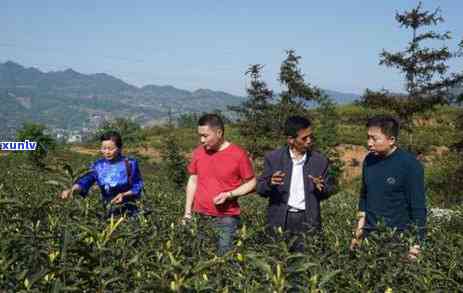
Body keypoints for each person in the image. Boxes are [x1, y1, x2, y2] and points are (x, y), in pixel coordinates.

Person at [350, 116, 427, 260]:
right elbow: (364, 197)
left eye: (374, 139)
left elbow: (418, 207)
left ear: (391, 140)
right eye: (368, 138)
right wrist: (358, 232)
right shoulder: (369, 160)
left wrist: (416, 244)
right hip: (369, 238)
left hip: (397, 240)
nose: (369, 143)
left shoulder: (409, 165)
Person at [256, 115, 334, 251]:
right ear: (291, 140)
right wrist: (270, 183)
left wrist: (320, 188)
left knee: (307, 262)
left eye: (311, 136)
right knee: (278, 260)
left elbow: (328, 190)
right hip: (280, 218)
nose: (309, 141)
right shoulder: (274, 158)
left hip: (307, 219)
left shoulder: (320, 161)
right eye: (304, 138)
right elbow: (260, 189)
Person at [183, 113, 256, 255]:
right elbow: (193, 180)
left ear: (219, 133)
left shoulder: (238, 154)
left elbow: (252, 182)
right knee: (200, 255)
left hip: (226, 218)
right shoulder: (198, 153)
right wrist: (187, 212)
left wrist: (230, 194)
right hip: (200, 215)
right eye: (200, 136)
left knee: (224, 257)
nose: (202, 140)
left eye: (205, 136)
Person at [60, 131, 144, 218]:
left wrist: (124, 195)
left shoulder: (130, 163)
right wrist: (72, 190)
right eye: (104, 148)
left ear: (119, 148)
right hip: (108, 211)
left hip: (129, 212)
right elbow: (85, 181)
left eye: (111, 149)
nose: (107, 152)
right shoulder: (98, 166)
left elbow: (138, 185)